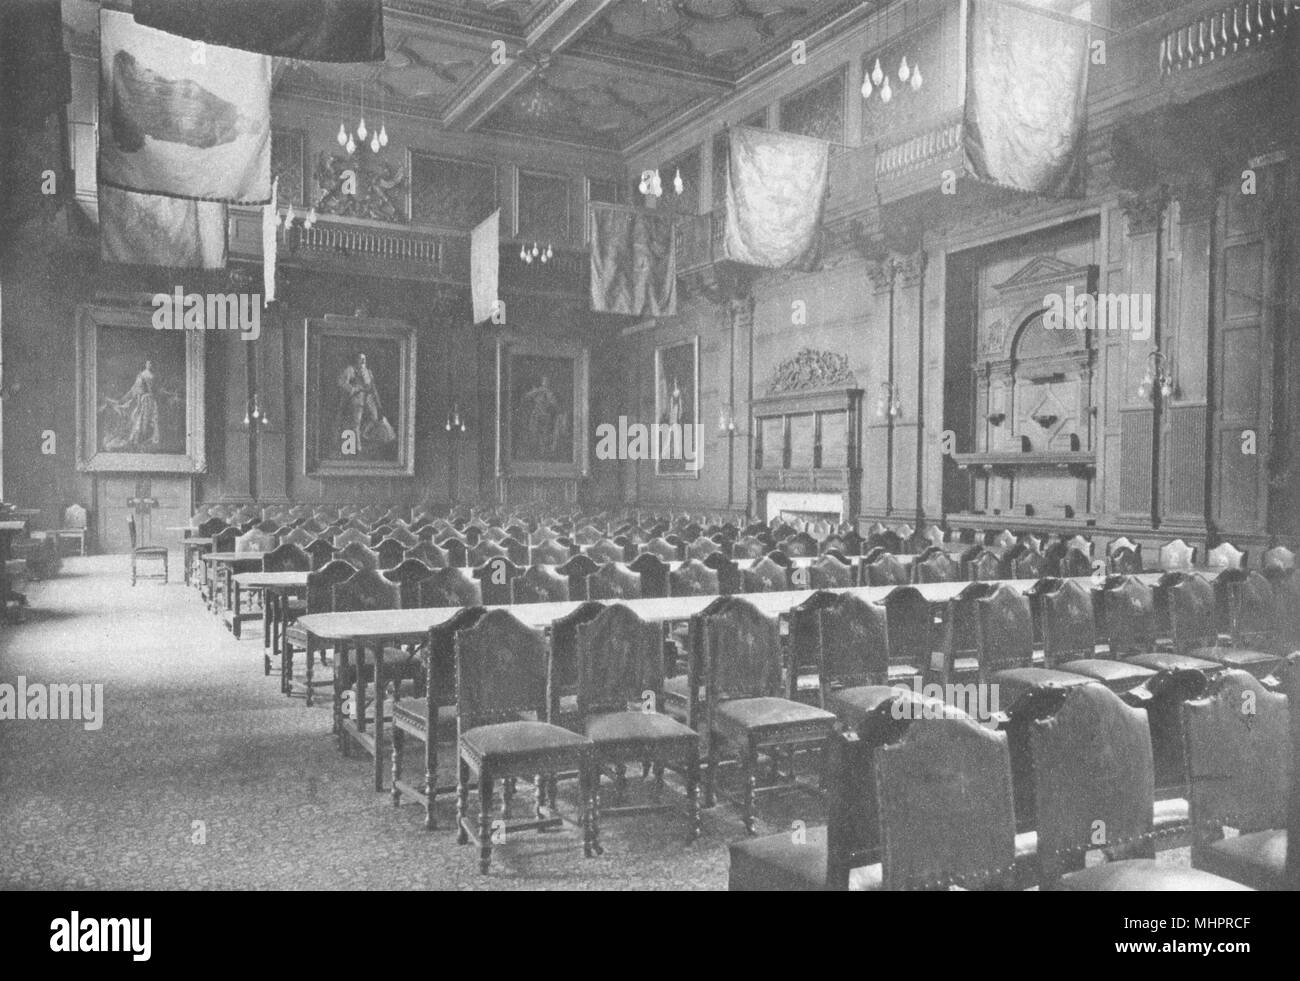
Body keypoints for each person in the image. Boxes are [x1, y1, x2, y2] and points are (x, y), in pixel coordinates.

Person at [102, 359, 171, 451]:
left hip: (152, 400)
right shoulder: (142, 375)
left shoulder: (154, 375)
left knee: (153, 419)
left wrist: (167, 393)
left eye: (152, 363)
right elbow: (138, 390)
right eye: (148, 363)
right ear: (145, 364)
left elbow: (157, 389)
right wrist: (139, 403)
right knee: (142, 420)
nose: (150, 365)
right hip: (144, 400)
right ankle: (137, 442)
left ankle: (150, 442)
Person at [337, 352, 393, 448]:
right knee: (356, 423)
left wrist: (377, 402)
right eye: (360, 358)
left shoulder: (368, 372)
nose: (363, 361)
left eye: (364, 359)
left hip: (368, 399)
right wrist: (354, 388)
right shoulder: (350, 370)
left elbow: (373, 387)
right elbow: (341, 382)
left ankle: (364, 433)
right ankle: (357, 446)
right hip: (357, 399)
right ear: (356, 359)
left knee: (375, 418)